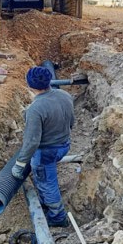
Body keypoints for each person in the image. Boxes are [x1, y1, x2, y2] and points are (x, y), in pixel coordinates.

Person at [11, 66, 75, 227]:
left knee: (47, 183)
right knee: (46, 178)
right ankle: (48, 204)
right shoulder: (64, 95)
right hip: (64, 145)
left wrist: (19, 165)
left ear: (29, 85)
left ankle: (58, 217)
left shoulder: (35, 109)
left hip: (46, 153)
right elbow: (71, 122)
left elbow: (32, 142)